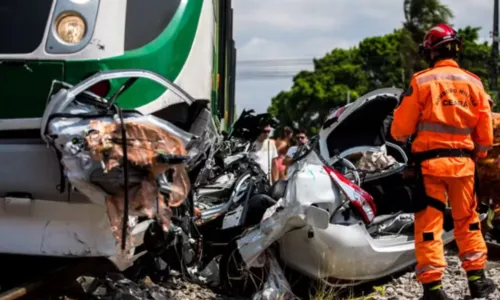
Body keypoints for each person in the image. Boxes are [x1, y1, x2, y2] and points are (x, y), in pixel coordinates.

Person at [390, 23, 496, 300]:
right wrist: (478, 156)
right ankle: (478, 281)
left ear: (430, 53)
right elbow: (484, 135)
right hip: (464, 167)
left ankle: (434, 289)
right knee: (469, 222)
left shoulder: (422, 81)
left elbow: (399, 130)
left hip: (430, 168)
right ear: (456, 49)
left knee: (429, 226)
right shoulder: (474, 83)